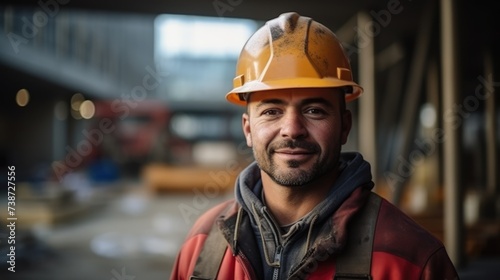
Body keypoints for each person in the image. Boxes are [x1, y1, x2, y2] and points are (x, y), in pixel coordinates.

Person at [170, 12, 459, 280]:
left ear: (345, 126)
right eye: (272, 111)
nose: (292, 129)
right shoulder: (203, 246)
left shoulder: (411, 258)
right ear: (248, 129)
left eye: (314, 111)